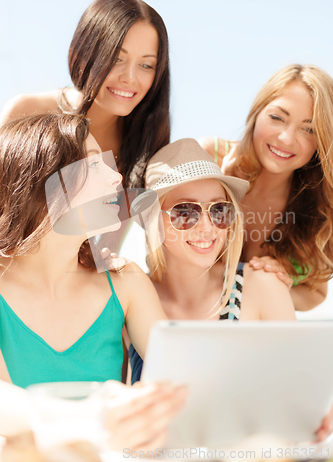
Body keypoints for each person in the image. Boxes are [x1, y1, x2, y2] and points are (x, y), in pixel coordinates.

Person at [0, 113, 187, 451]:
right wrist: (96, 418)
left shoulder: (125, 281)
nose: (116, 176)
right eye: (92, 163)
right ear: (42, 177)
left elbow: (184, 383)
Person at [128, 138, 296, 383]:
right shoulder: (128, 298)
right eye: (185, 212)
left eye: (219, 210)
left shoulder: (262, 286)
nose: (207, 228)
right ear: (153, 218)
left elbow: (300, 392)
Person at [0, 0, 170, 188]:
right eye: (116, 59)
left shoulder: (147, 141)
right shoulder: (28, 113)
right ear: (84, 54)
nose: (129, 78)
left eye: (146, 65)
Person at [199, 64, 333, 311]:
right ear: (256, 113)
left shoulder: (320, 206)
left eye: (308, 129)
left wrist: (278, 283)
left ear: (322, 141)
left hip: (256, 334)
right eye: (277, 117)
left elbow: (315, 293)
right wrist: (225, 198)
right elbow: (165, 261)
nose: (286, 139)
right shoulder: (208, 158)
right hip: (188, 319)